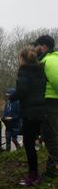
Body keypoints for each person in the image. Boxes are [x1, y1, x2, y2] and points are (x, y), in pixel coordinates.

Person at [11, 47, 46, 186]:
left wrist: (12, 97)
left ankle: (33, 175)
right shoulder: (41, 70)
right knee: (46, 141)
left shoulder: (24, 71)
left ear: (22, 59)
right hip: (42, 110)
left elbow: (22, 91)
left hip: (30, 112)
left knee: (28, 143)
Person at [33, 35, 58, 178]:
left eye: (36, 47)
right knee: (50, 137)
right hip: (48, 104)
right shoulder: (48, 60)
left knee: (51, 138)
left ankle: (53, 170)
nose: (34, 50)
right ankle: (52, 168)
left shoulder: (49, 61)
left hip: (51, 104)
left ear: (43, 47)